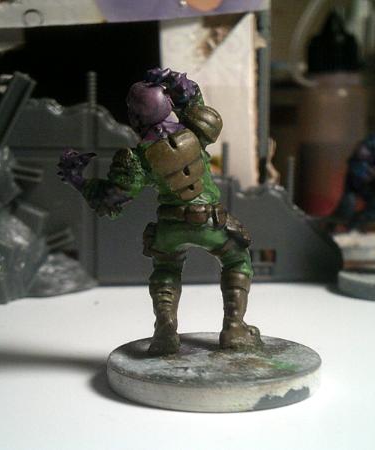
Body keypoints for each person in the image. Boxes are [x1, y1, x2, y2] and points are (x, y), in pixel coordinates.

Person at [59, 68, 262, 355]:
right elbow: (195, 102)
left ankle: (165, 328)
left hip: (170, 227)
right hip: (210, 222)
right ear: (169, 104)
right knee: (237, 260)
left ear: (134, 118)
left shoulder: (136, 158)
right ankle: (234, 327)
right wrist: (175, 80)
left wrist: (77, 179)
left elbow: (113, 200)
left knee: (166, 269)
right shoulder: (196, 131)